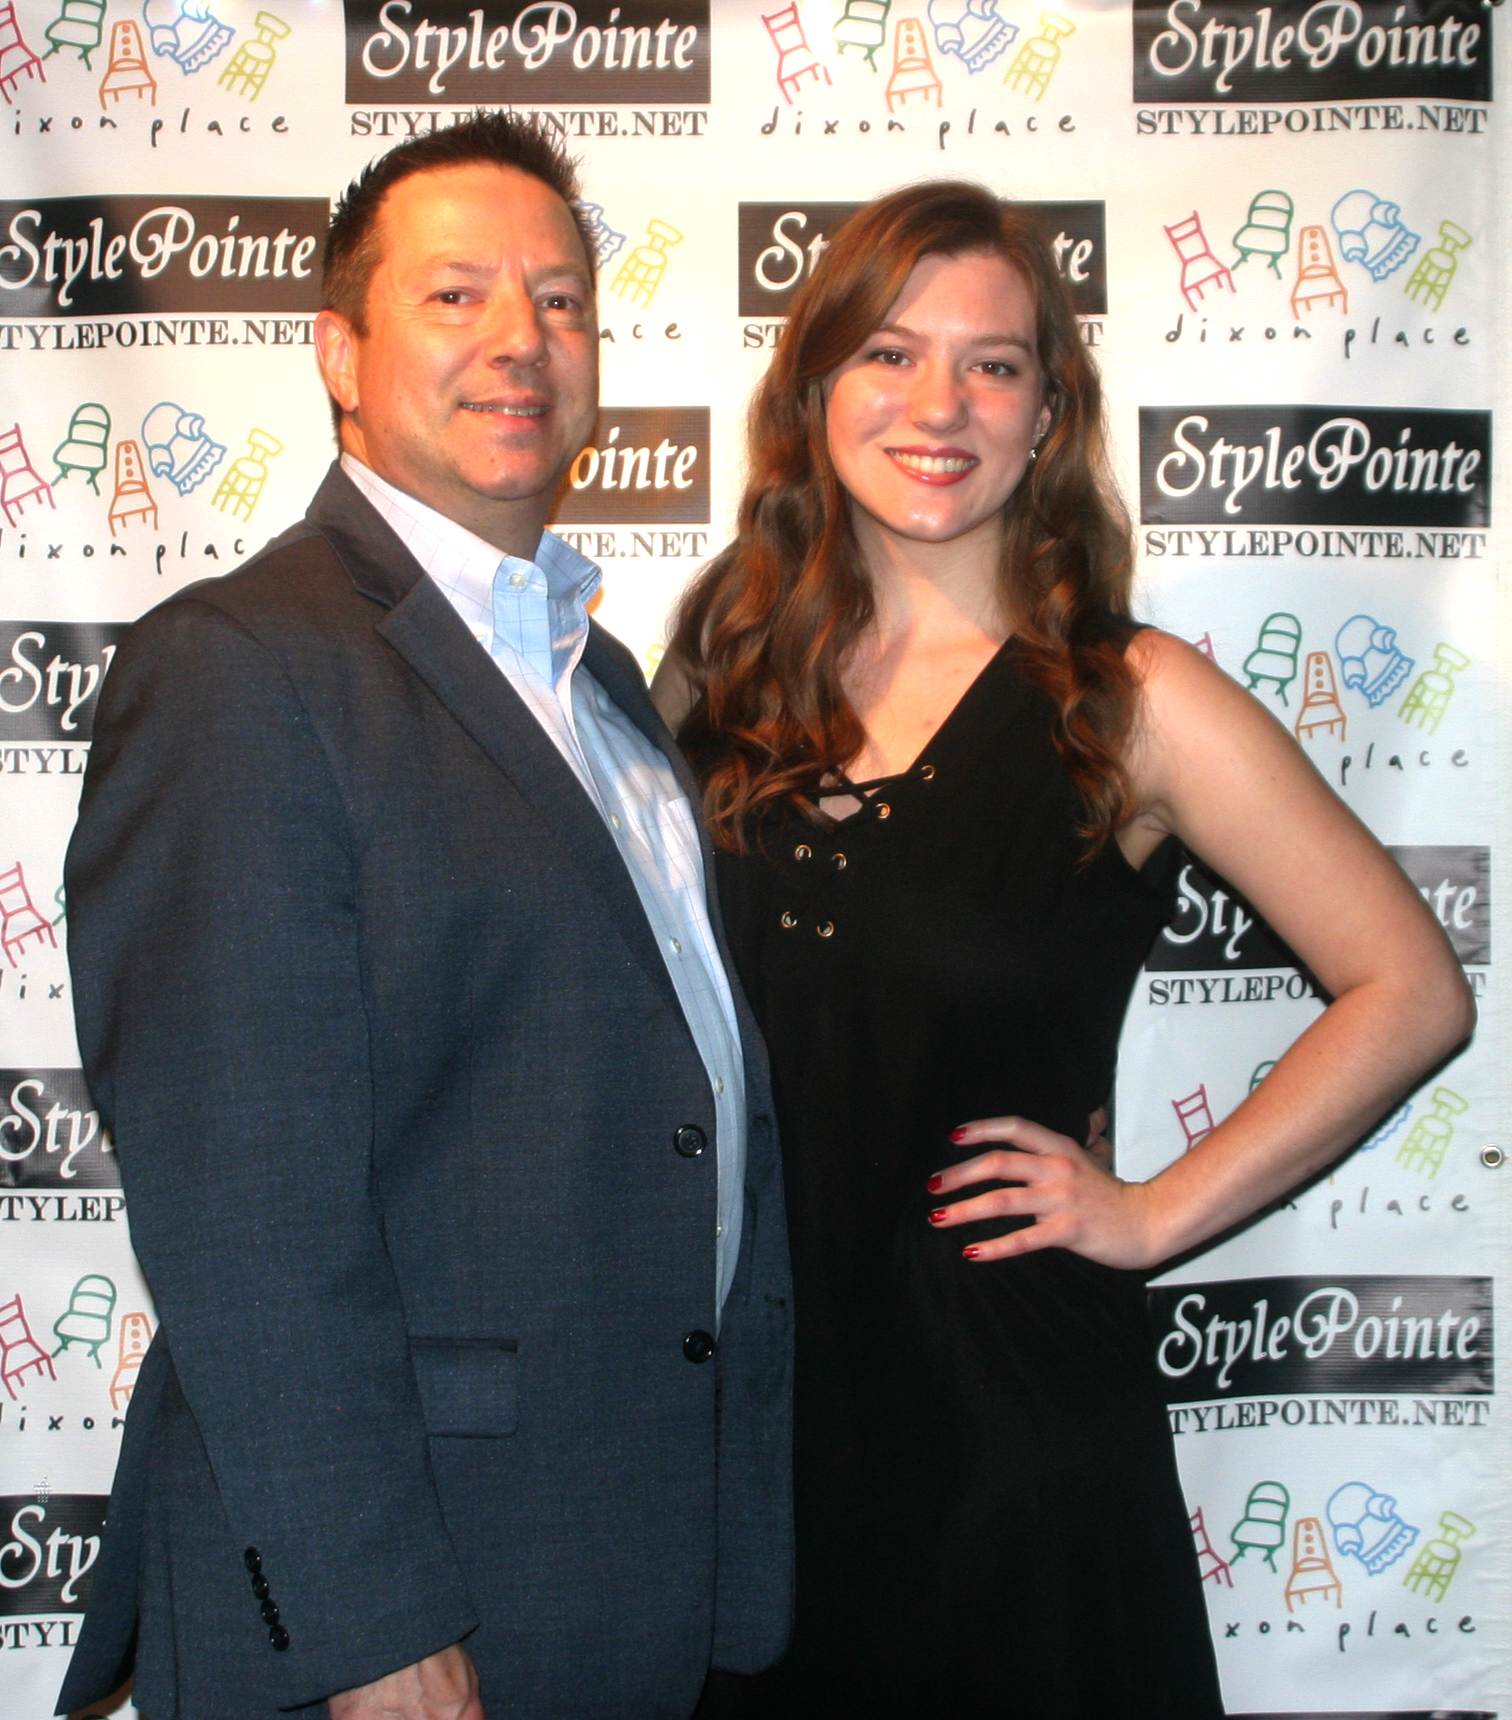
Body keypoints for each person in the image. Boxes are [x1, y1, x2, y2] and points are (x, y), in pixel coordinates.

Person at [656, 183, 1474, 1718]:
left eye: (994, 364)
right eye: (891, 353)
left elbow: (1413, 990)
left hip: (1011, 1428)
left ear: (1047, 415)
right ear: (816, 385)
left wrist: (1155, 1212)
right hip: (753, 1434)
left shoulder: (1127, 699)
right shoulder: (723, 682)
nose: (940, 406)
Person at [56, 113, 791, 1720]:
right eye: (455, 295)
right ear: (340, 352)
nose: (521, 338)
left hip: (618, 1561)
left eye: (560, 300)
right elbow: (246, 1212)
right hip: (408, 1608)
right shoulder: (240, 669)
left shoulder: (606, 690)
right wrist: (368, 1624)